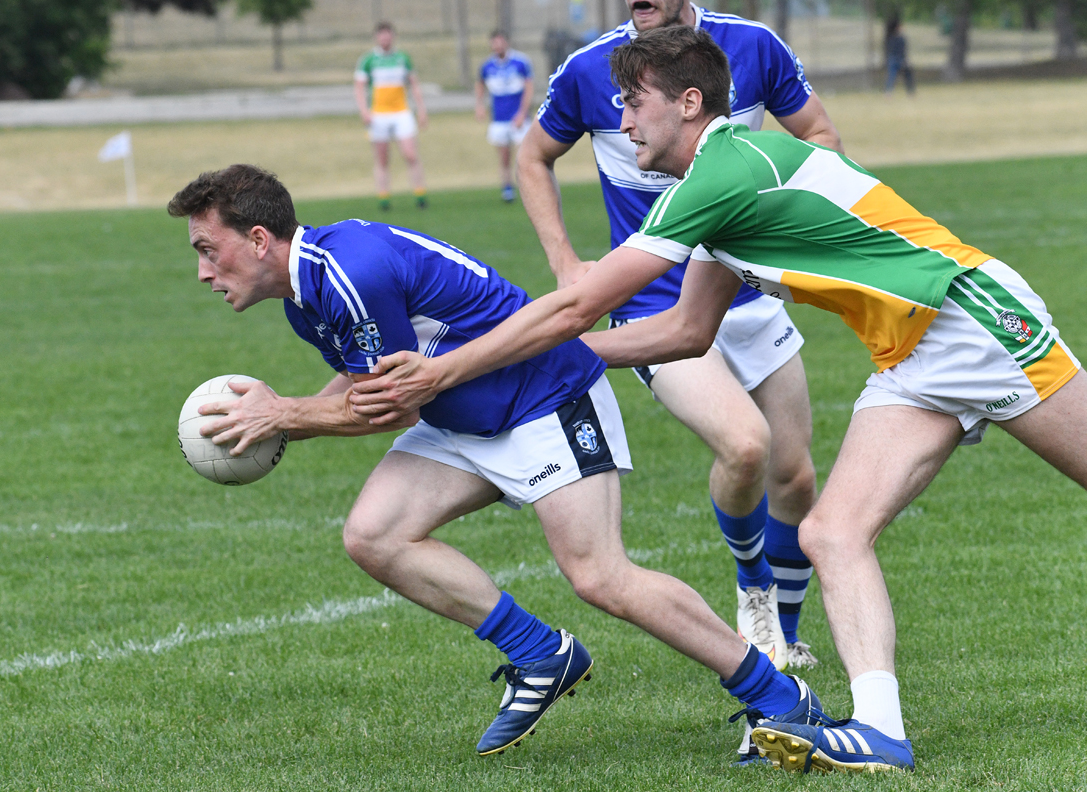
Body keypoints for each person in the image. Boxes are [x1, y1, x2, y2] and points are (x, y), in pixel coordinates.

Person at [347, 26, 1086, 773]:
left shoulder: (723, 173)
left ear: (689, 102)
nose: (623, 121)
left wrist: (450, 370)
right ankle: (881, 733)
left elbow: (578, 310)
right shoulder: (711, 187)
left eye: (634, 103)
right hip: (912, 355)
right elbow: (684, 330)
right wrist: (523, 370)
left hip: (973, 321)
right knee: (831, 532)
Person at [167, 162, 828, 759]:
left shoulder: (349, 272)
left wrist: (282, 415)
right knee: (374, 535)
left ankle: (781, 698)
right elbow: (364, 384)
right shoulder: (309, 295)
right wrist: (278, 422)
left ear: (258, 239)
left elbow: (388, 408)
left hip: (545, 397)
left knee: (600, 576)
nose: (202, 271)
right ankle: (541, 655)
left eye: (208, 250)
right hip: (462, 416)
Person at [518, 0, 846, 676]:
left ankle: (783, 633)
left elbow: (821, 137)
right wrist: (566, 265)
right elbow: (533, 157)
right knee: (745, 444)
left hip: (748, 291)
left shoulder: (752, 46)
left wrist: (779, 222)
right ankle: (752, 589)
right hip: (656, 302)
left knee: (795, 472)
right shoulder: (591, 69)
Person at [354, 22, 428, 210]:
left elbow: (414, 85)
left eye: (388, 35)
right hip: (378, 115)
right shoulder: (369, 60)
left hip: (401, 112)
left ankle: (420, 194)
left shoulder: (403, 58)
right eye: (382, 35)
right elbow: (360, 88)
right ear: (377, 38)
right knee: (382, 158)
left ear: (393, 36)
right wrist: (364, 111)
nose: (385, 39)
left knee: (410, 154)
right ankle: (384, 198)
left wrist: (421, 110)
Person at [475, 30, 534, 203]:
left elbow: (529, 88)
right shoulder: (487, 66)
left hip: (518, 117)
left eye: (500, 42)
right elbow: (480, 85)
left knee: (524, 156)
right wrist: (479, 105)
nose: (497, 46)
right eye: (494, 42)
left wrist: (523, 113)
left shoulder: (520, 62)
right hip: (499, 119)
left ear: (506, 43)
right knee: (504, 156)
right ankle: (507, 188)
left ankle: (528, 189)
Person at [884, 16, 915, 96]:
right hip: (899, 59)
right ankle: (910, 92)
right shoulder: (900, 39)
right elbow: (902, 51)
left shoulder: (889, 38)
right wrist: (904, 60)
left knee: (892, 77)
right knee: (905, 75)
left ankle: (888, 92)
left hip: (893, 59)